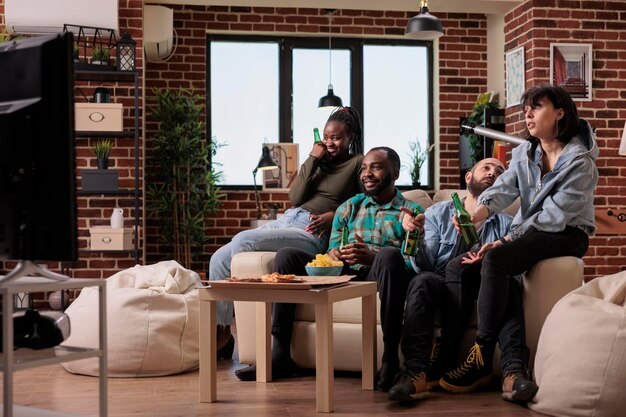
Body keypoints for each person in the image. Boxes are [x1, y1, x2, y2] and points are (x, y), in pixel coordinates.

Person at [439, 85, 598, 402]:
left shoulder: (581, 163)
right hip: (533, 231)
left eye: (536, 107)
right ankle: (512, 368)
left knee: (497, 260)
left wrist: (506, 239)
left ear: (559, 113)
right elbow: (502, 189)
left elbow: (554, 217)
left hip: (568, 233)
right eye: (526, 109)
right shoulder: (525, 154)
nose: (528, 114)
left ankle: (481, 352)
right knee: (487, 268)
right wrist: (478, 214)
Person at [235, 146, 424, 382]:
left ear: (395, 172)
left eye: (376, 167)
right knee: (286, 256)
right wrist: (335, 254)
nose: (367, 173)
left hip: (382, 274)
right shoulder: (348, 207)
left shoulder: (412, 211)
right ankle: (280, 354)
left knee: (388, 255)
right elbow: (331, 249)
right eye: (364, 168)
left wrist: (373, 257)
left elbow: (413, 264)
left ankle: (390, 360)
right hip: (345, 273)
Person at [208, 107, 365, 358]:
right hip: (288, 219)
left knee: (243, 240)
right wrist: (313, 158)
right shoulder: (318, 161)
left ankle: (255, 336)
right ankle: (223, 336)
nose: (329, 142)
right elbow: (295, 197)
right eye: (326, 137)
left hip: (312, 230)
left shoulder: (358, 163)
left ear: (351, 137)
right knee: (218, 259)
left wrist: (334, 216)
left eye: (336, 138)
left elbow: (365, 205)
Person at [387, 158, 508, 402]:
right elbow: (425, 266)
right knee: (422, 281)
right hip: (440, 280)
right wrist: (417, 237)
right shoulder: (438, 213)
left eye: (499, 171)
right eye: (486, 167)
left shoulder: (506, 223)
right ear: (468, 177)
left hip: (479, 286)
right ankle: (415, 373)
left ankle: (446, 355)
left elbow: (511, 270)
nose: (492, 173)